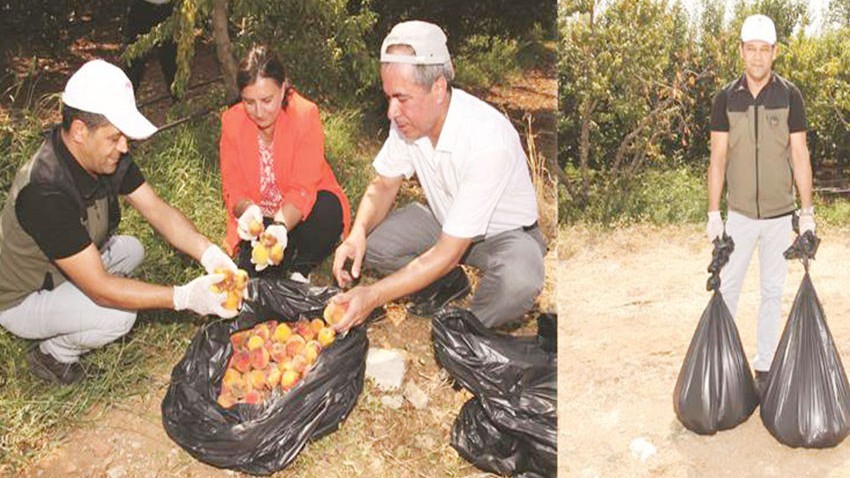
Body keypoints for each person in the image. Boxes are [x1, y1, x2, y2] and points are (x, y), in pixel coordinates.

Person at [0, 59, 238, 385]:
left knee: (132, 249)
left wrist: (209, 253)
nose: (124, 147)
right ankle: (53, 355)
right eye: (114, 138)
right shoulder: (45, 191)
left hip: (66, 262)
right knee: (118, 314)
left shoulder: (101, 155)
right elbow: (101, 290)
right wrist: (183, 297)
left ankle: (78, 298)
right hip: (25, 297)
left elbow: (157, 210)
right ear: (80, 130)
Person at [330, 20, 546, 331]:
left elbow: (448, 251)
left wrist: (374, 295)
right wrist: (357, 233)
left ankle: (468, 329)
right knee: (375, 245)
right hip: (445, 221)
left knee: (517, 283)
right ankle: (446, 284)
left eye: (402, 98)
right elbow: (384, 185)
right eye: (388, 97)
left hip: (504, 236)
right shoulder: (407, 123)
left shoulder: (487, 140)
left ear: (439, 88)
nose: (392, 111)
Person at [706, 14, 814, 397]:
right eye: (750, 49)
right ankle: (725, 365)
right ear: (741, 51)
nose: (756, 57)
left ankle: (764, 368)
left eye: (763, 50)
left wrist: (807, 212)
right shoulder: (725, 98)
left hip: (779, 216)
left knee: (771, 291)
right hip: (737, 216)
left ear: (774, 53)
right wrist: (712, 214)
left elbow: (799, 155)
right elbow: (718, 159)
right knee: (728, 289)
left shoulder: (790, 95)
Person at [219, 46, 351, 283]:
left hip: (301, 213)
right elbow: (233, 186)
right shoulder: (232, 122)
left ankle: (302, 266)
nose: (259, 112)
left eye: (267, 100)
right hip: (262, 217)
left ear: (283, 89)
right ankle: (284, 262)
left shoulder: (305, 115)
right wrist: (247, 212)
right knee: (258, 277)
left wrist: (280, 226)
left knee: (329, 210)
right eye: (249, 102)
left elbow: (303, 186)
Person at [123, 0, 178, 101]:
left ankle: (178, 101)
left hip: (167, 8)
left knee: (170, 57)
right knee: (135, 60)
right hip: (141, 8)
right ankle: (125, 102)